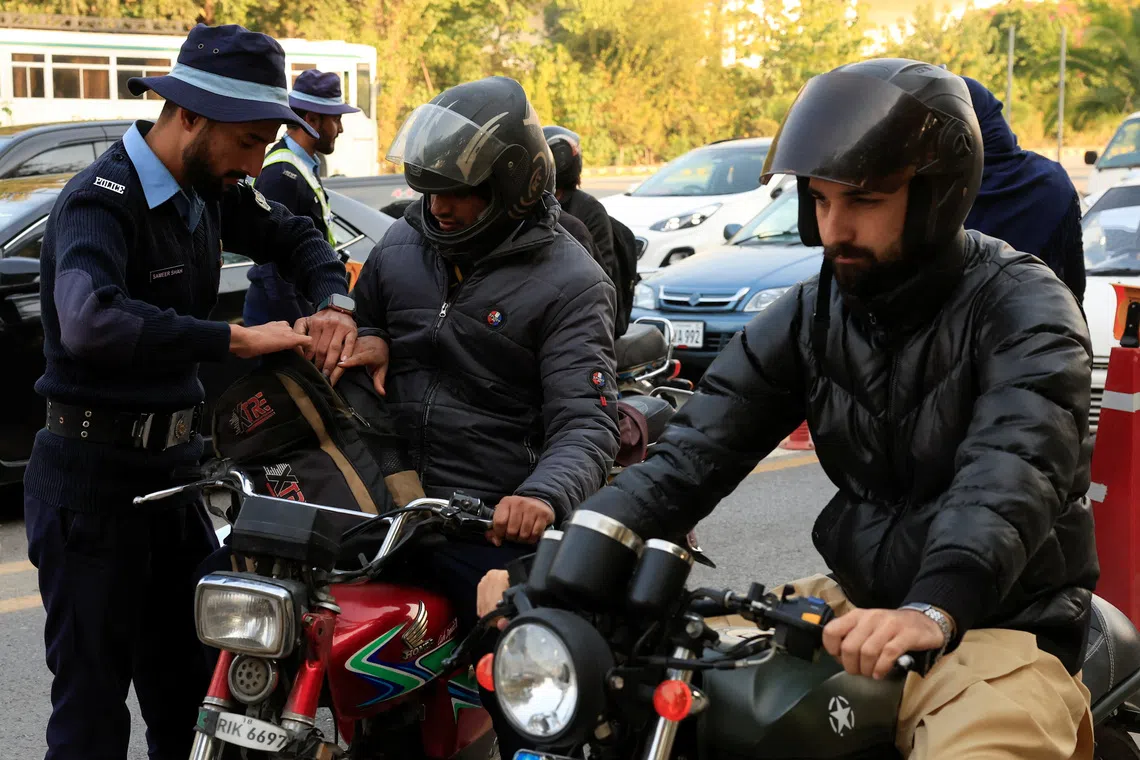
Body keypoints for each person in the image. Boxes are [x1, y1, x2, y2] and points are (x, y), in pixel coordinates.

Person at [482, 59, 1098, 759]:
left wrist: (935, 606)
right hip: (856, 611)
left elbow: (1011, 473)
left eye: (863, 200)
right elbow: (690, 455)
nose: (834, 228)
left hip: (1002, 626)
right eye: (821, 199)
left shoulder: (1023, 306)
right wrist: (557, 567)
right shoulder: (811, 313)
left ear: (935, 198)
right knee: (672, 702)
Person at [24, 24, 357, 760]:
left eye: (269, 144)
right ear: (192, 117)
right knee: (91, 716)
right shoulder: (100, 200)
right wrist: (235, 339)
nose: (256, 163)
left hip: (175, 486)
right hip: (90, 486)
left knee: (198, 699)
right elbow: (89, 321)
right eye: (249, 142)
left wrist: (335, 304)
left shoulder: (211, 191)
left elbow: (300, 238)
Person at [337, 75, 620, 756]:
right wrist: (356, 327)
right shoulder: (403, 244)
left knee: (532, 674)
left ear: (517, 185)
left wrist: (539, 495)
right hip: (385, 508)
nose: (443, 208)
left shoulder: (573, 281)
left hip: (484, 524)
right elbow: (365, 317)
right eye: (432, 192)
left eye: (461, 192)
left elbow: (587, 423)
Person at [244, 68, 361, 326]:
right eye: (336, 119)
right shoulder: (281, 173)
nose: (340, 129)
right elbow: (271, 266)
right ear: (311, 119)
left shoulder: (299, 165)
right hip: (279, 316)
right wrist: (297, 326)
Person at [962, 76, 1086, 301]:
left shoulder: (945, 191)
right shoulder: (1051, 182)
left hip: (965, 332)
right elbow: (1073, 279)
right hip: (1046, 320)